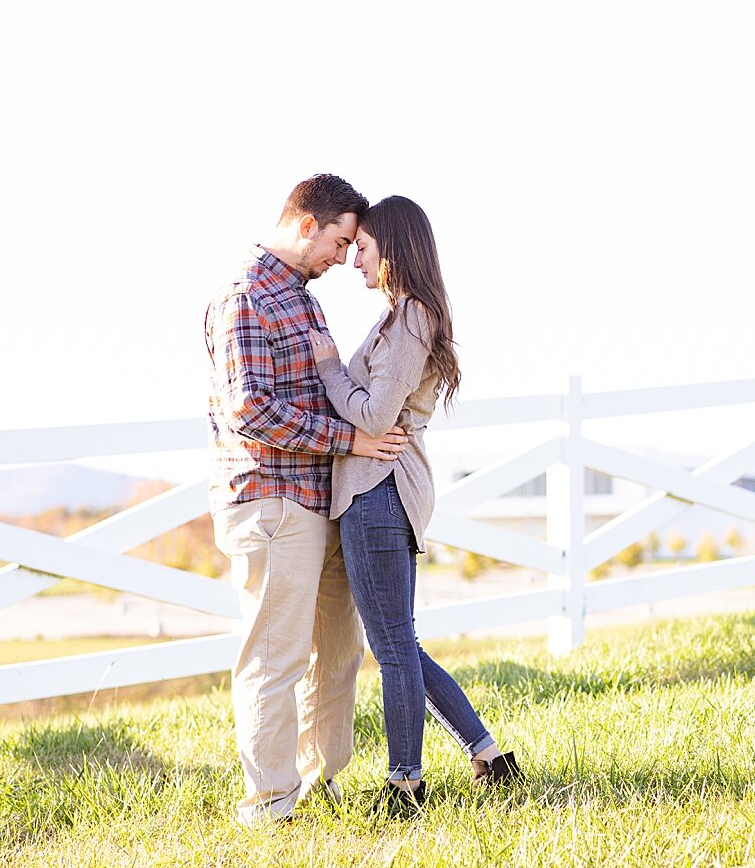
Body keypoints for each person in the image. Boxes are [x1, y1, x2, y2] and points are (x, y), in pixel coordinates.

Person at [205, 173, 411, 827]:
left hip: (319, 503)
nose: (344, 257)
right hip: (270, 501)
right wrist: (349, 437)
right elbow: (248, 411)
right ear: (305, 225)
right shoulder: (247, 296)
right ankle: (269, 804)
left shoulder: (301, 300)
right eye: (340, 240)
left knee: (338, 654)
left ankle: (323, 784)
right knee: (276, 655)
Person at [309, 195, 520, 816]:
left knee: (394, 647)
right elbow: (371, 406)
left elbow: (374, 414)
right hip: (375, 488)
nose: (355, 263)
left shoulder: (411, 319)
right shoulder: (398, 316)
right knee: (402, 642)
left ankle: (405, 787)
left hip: (379, 490)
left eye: (364, 249)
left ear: (393, 249)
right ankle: (487, 756)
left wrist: (326, 368)